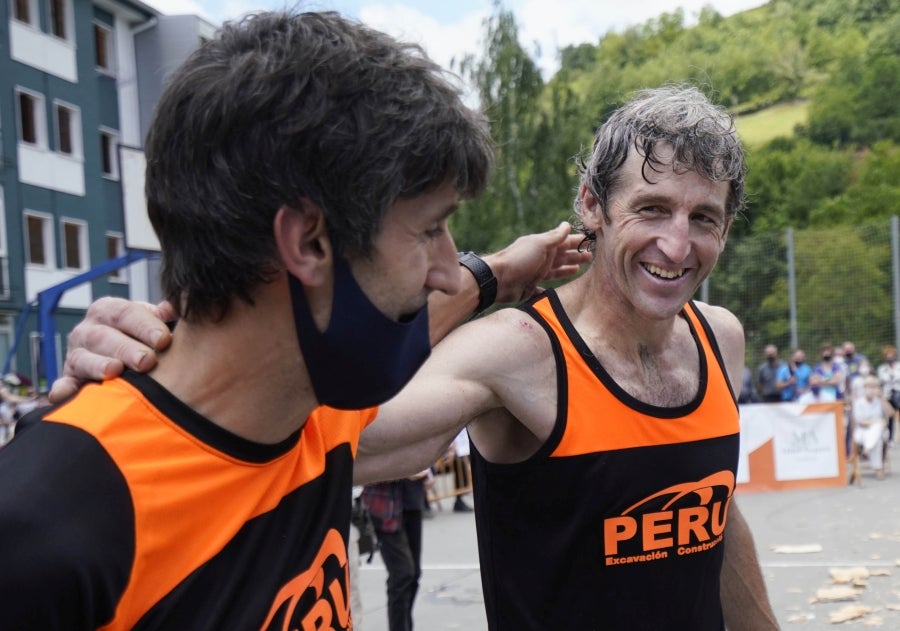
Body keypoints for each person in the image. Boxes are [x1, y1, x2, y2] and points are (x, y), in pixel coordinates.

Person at [56, 85, 780, 630]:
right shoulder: (518, 352)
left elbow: (714, 511)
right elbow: (309, 432)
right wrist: (150, 375)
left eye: (704, 219)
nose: (678, 246)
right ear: (592, 203)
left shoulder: (721, 337)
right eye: (651, 209)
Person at [0, 11, 585, 630]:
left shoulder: (312, 415)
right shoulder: (51, 526)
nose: (445, 268)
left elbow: (415, 314)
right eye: (431, 228)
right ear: (307, 242)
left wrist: (500, 271)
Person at [362, 471, 430, 631]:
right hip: (385, 504)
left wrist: (430, 472)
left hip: (411, 499)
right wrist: (404, 470)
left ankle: (405, 627)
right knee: (402, 574)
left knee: (413, 575)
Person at [851, 376, 890, 480]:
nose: (871, 389)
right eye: (869, 386)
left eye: (873, 387)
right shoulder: (859, 403)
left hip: (879, 431)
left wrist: (881, 398)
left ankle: (868, 448)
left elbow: (891, 413)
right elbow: (862, 422)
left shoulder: (879, 401)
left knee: (878, 430)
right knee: (878, 435)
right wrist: (877, 422)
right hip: (862, 432)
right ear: (864, 388)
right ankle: (878, 469)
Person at [876, 344, 900, 444]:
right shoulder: (882, 369)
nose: (890, 357)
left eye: (891, 355)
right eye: (887, 356)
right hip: (887, 394)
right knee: (890, 416)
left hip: (898, 392)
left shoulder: (898, 367)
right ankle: (890, 438)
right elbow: (880, 381)